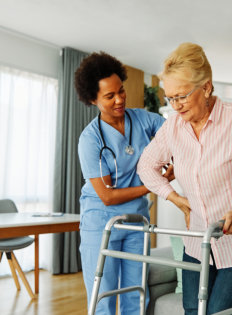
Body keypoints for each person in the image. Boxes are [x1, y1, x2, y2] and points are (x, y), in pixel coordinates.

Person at [137, 42, 232, 315]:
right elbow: (146, 166)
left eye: (181, 96)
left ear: (206, 87)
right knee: (193, 310)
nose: (175, 106)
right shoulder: (172, 127)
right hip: (198, 240)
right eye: (170, 98)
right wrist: (176, 198)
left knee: (219, 312)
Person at [75, 51, 172, 315]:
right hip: (101, 223)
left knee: (137, 294)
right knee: (103, 298)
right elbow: (106, 195)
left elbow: (175, 133)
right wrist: (153, 185)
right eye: (109, 96)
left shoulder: (141, 119)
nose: (119, 99)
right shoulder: (90, 140)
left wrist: (172, 159)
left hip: (136, 221)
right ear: (93, 99)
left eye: (121, 91)